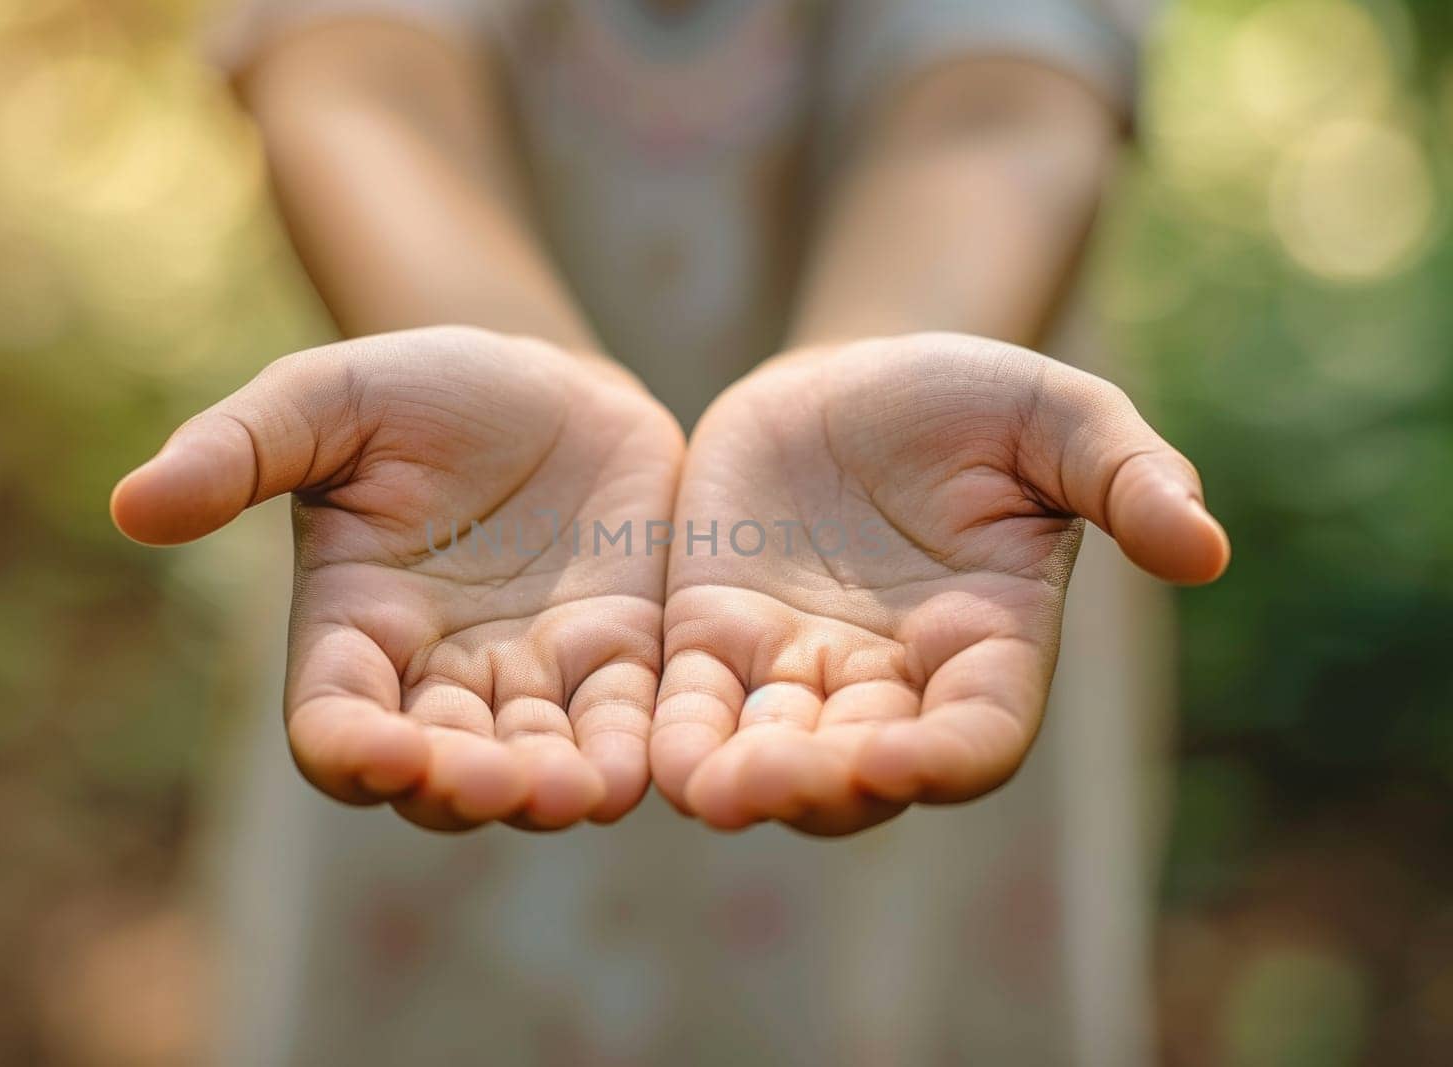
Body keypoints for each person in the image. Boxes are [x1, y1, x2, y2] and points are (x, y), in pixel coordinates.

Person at [111, 2, 1229, 1063]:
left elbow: (1002, 92)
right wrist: (493, 347)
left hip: (910, 560)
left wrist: (881, 359)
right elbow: (358, 70)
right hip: (448, 547)